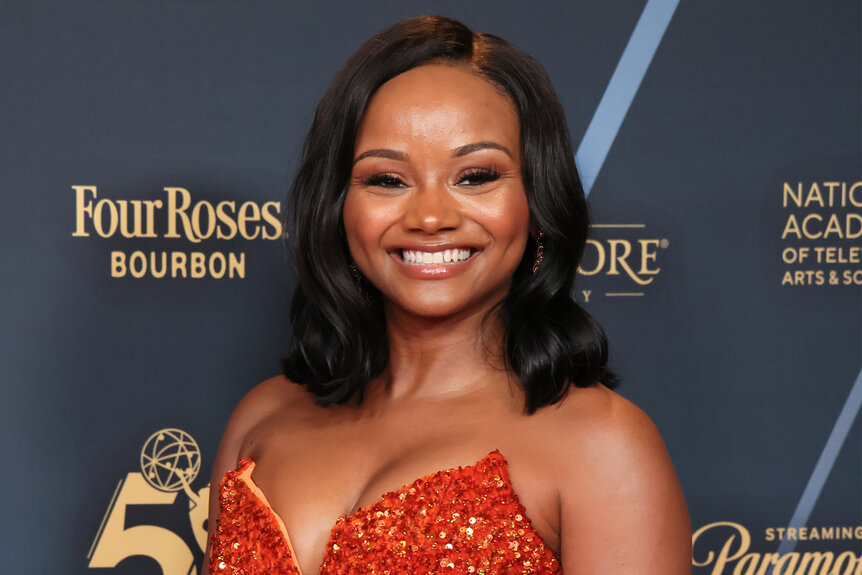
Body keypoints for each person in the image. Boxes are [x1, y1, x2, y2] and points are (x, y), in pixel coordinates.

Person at [205, 15, 691, 574]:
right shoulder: (263, 416)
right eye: (387, 180)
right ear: (339, 208)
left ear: (538, 202)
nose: (430, 217)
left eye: (476, 175)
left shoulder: (603, 445)